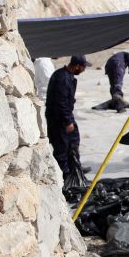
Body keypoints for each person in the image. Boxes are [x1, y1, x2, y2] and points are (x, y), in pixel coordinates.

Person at [45, 55, 89, 183]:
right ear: (77, 66)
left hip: (65, 115)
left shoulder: (66, 76)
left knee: (73, 141)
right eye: (83, 67)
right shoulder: (62, 79)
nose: (84, 70)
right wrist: (67, 122)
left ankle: (75, 167)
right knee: (62, 148)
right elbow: (61, 103)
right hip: (58, 120)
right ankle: (65, 177)